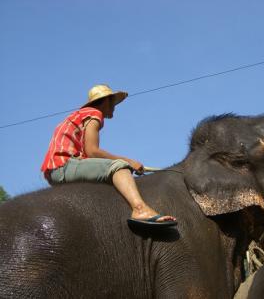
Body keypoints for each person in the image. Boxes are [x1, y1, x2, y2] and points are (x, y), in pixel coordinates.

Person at [41, 84, 177, 227]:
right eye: (113, 103)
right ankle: (140, 209)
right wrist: (129, 161)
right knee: (119, 167)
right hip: (64, 165)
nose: (114, 107)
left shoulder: (78, 116)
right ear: (106, 101)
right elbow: (92, 151)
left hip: (55, 169)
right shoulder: (94, 113)